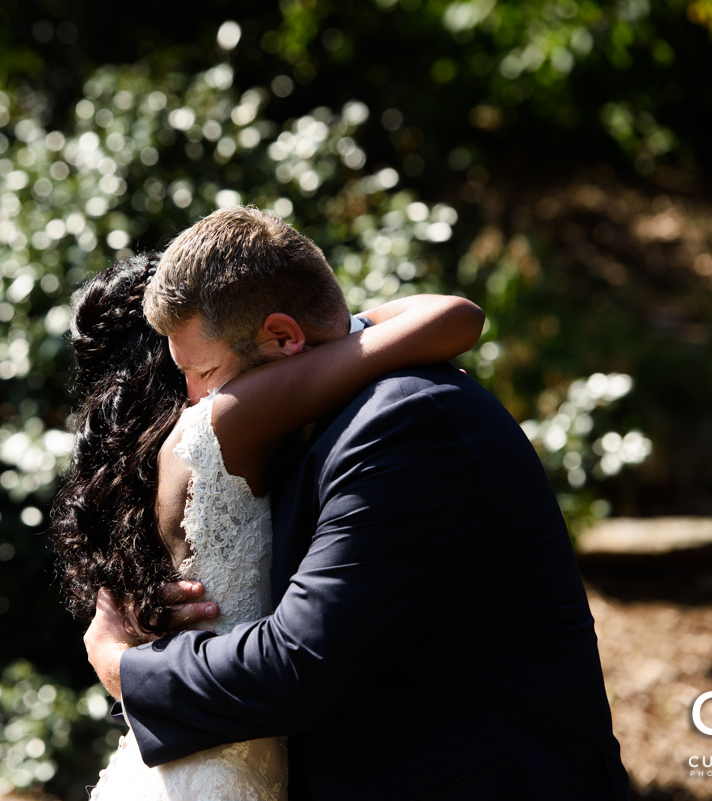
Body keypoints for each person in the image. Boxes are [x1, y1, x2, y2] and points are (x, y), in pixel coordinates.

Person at [83, 207, 630, 800]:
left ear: (285, 337)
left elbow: (299, 664)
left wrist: (121, 667)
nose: (194, 402)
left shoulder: (407, 423)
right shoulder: (310, 411)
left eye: (203, 371)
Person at [52, 249, 485, 799]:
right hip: (238, 743)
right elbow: (455, 317)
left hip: (197, 748)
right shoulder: (224, 415)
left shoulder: (152, 468)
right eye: (191, 369)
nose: (197, 390)